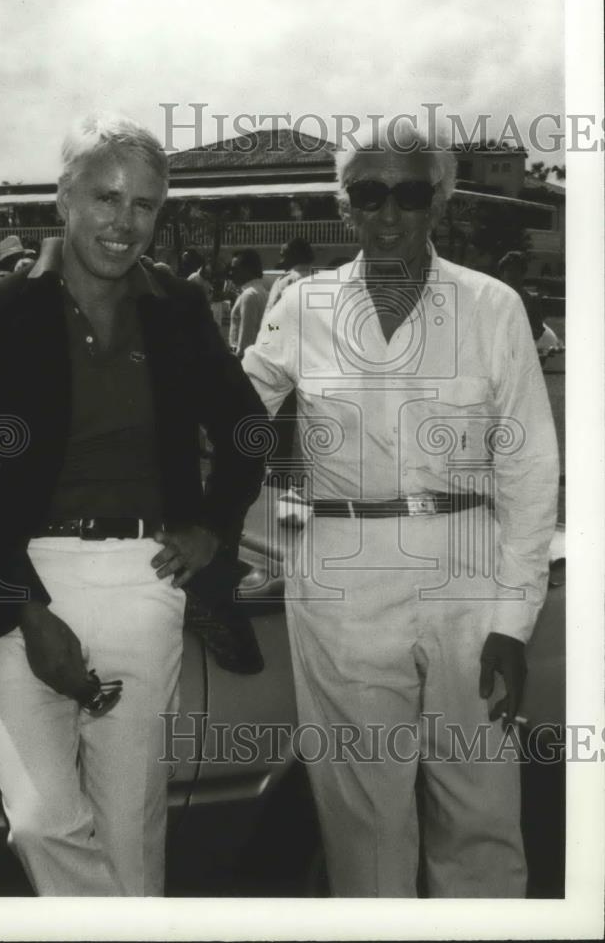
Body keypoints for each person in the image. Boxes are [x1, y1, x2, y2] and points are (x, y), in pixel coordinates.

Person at [0, 112, 266, 896]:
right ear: (64, 201)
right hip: (23, 578)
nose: (124, 222)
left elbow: (246, 427)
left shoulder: (176, 308)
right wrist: (27, 615)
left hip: (145, 578)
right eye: (105, 198)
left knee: (130, 826)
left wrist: (213, 527)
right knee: (40, 819)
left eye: (144, 205)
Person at [242, 117, 559, 897]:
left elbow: (527, 467)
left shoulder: (491, 308)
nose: (388, 213)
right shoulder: (303, 306)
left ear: (438, 201)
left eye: (409, 193)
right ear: (344, 204)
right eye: (369, 193)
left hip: (466, 579)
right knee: (363, 829)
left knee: (480, 817)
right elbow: (226, 417)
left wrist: (512, 623)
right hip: (340, 589)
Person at [228, 248, 268, 358]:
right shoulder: (261, 291)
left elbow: (246, 336)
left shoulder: (249, 295)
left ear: (248, 270)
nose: (231, 273)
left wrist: (239, 361)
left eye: (235, 269)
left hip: (244, 359)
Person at [264, 237, 315, 314]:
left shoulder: (284, 282)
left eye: (283, 256)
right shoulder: (322, 281)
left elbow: (271, 316)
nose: (281, 262)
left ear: (293, 256)